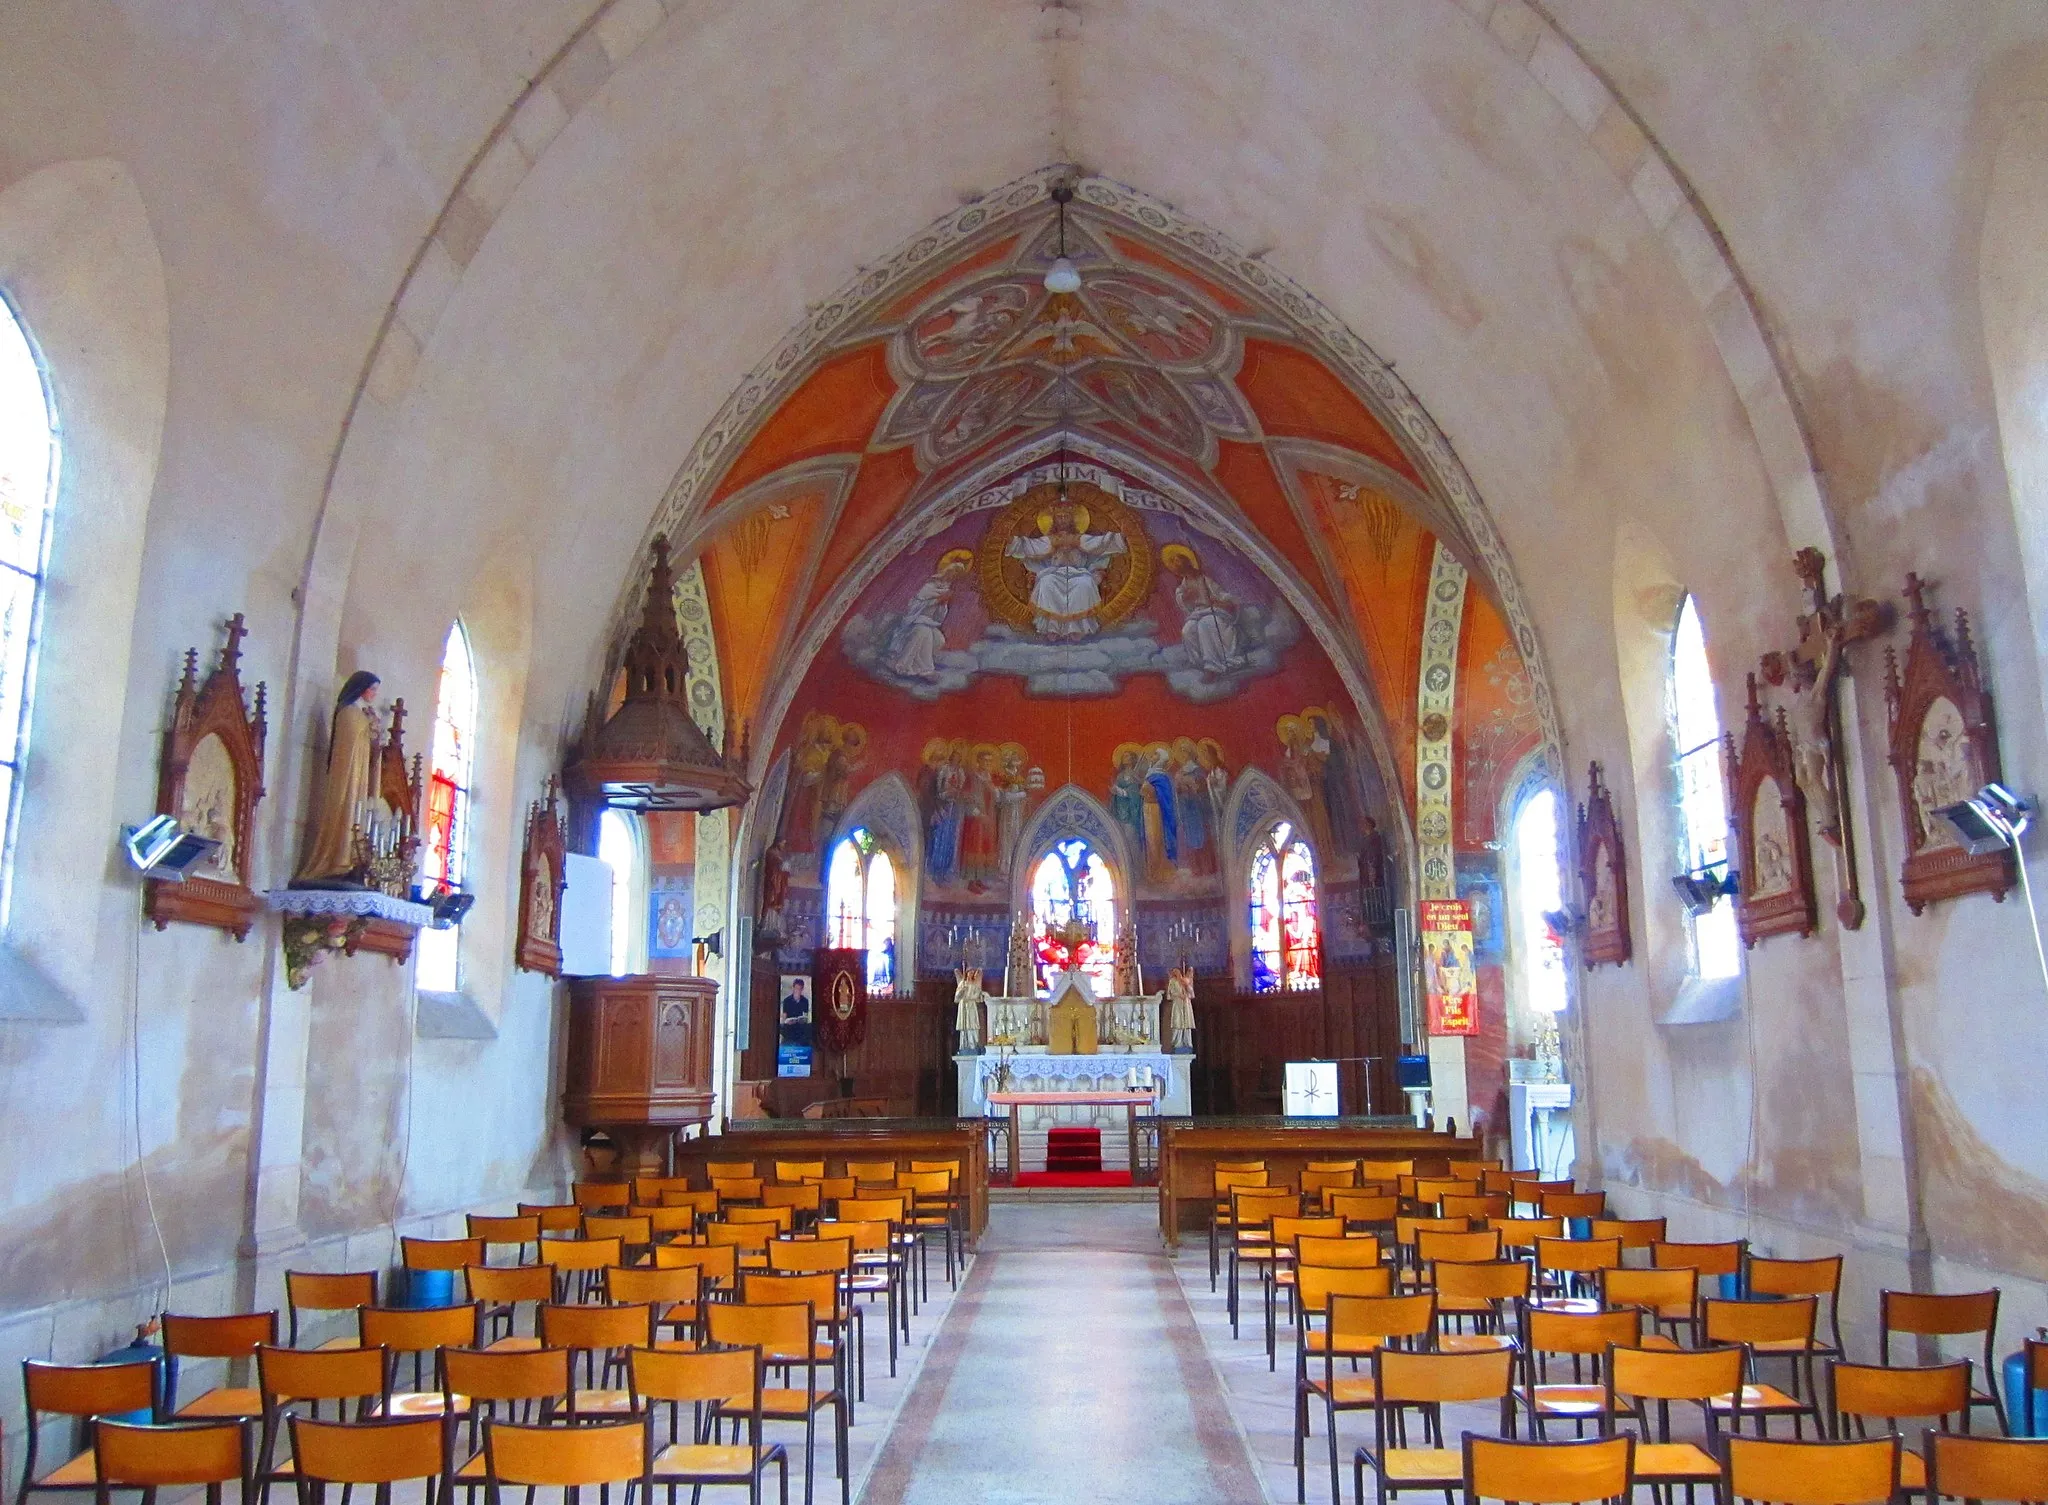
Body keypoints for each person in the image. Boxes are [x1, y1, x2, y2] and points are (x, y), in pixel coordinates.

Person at [293, 670, 380, 888]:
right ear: (361, 689)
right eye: (372, 689)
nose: (374, 694)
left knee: (358, 810)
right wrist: (368, 723)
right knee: (347, 807)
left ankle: (354, 859)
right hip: (348, 774)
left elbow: (371, 740)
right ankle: (338, 861)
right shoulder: (349, 712)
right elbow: (347, 744)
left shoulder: (362, 713)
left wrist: (373, 727)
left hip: (359, 773)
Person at [1005, 501, 1127, 637]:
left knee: (1085, 584)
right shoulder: (1049, 540)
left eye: (1066, 516)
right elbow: (1030, 546)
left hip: (1080, 574)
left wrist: (1121, 538)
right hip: (1053, 573)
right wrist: (1012, 542)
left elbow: (1101, 544)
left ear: (1072, 519)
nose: (1062, 519)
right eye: (1059, 516)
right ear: (1054, 519)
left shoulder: (1080, 539)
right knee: (1047, 582)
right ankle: (1052, 628)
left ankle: (1078, 629)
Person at [779, 979, 813, 1048]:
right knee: (782, 1027)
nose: (798, 991)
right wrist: (787, 1021)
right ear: (793, 988)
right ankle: (791, 1041)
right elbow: (784, 1017)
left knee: (810, 1026)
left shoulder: (805, 1001)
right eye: (797, 988)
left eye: (800, 989)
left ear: (802, 989)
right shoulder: (787, 1000)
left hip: (800, 1025)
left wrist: (802, 1020)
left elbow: (805, 1017)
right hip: (789, 1025)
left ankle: (802, 1044)